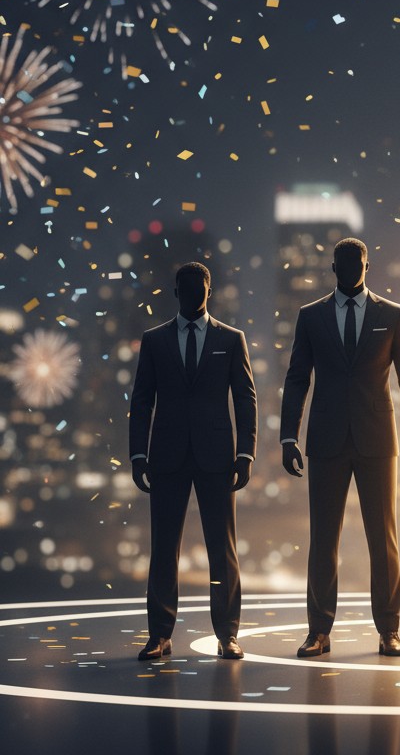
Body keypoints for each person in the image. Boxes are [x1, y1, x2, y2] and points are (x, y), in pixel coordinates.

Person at [281, 237, 400, 658]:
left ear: (368, 265)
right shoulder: (311, 316)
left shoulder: (392, 315)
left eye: (357, 262)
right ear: (333, 268)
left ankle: (388, 631)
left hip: (377, 439)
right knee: (322, 539)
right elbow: (297, 377)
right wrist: (288, 435)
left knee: (383, 539)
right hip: (325, 440)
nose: (350, 270)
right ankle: (318, 632)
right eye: (343, 263)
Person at [129, 261, 257, 661]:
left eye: (198, 289)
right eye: (186, 289)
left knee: (223, 550)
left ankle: (227, 635)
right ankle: (160, 635)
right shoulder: (154, 340)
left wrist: (246, 452)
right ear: (176, 293)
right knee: (164, 548)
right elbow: (142, 400)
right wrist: (138, 454)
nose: (192, 295)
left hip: (217, 456)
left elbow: (245, 398)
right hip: (166, 456)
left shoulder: (232, 339)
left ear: (209, 291)